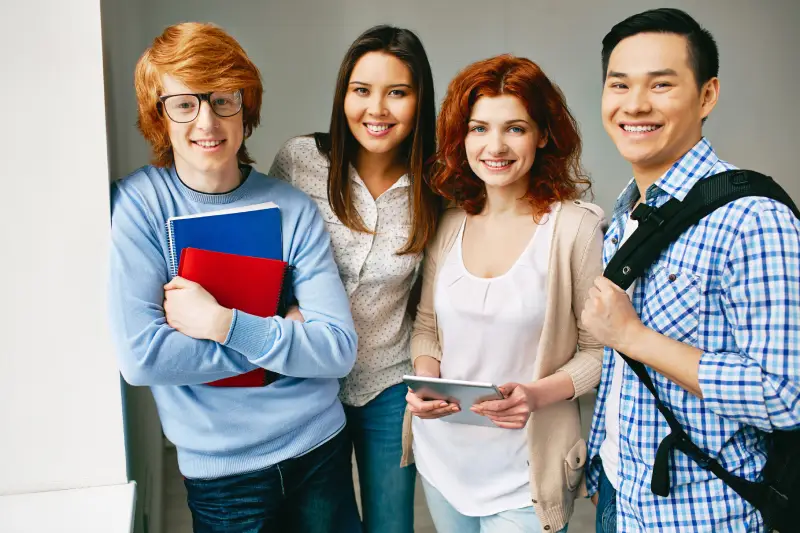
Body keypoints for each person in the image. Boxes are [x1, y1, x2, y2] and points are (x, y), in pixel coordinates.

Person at [108, 22, 361, 533]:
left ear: (246, 108)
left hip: (320, 450)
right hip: (225, 477)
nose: (207, 120)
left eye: (224, 99)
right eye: (184, 103)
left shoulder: (290, 206)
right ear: (159, 115)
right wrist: (284, 342)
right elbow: (143, 358)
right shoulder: (138, 206)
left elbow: (336, 349)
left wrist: (220, 322)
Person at [583, 8, 800, 532]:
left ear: (707, 95)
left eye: (661, 85)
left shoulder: (754, 219)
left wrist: (633, 336)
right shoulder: (627, 210)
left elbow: (785, 394)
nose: (634, 104)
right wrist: (601, 469)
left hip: (704, 514)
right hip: (621, 496)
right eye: (620, 85)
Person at [404, 54, 605, 533]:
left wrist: (536, 394)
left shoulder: (576, 228)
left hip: (524, 474)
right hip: (444, 461)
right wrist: (426, 380)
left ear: (542, 134)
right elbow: (428, 325)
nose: (495, 146)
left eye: (514, 128)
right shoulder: (450, 225)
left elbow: (601, 351)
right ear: (462, 138)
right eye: (478, 129)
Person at [269, 25, 438, 533]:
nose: (377, 109)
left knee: (391, 524)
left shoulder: (439, 184)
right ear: (343, 94)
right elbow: (265, 260)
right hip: (308, 379)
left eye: (398, 93)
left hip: (388, 380)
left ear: (419, 100)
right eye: (361, 90)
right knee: (320, 524)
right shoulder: (301, 160)